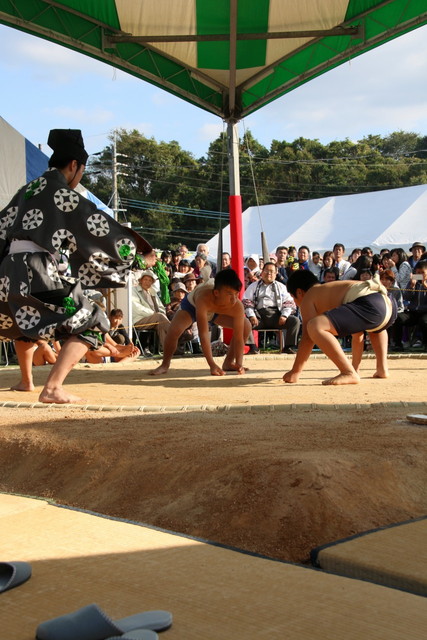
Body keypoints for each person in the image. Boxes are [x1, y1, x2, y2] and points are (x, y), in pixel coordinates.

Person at [0, 128, 154, 403]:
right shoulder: (62, 193)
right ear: (74, 165)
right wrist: (135, 252)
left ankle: (26, 381)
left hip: (9, 271)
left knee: (26, 319)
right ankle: (52, 388)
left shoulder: (27, 190)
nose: (80, 176)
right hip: (37, 270)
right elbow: (96, 225)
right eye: (81, 170)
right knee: (94, 320)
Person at [283, 269, 397, 386]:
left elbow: (308, 337)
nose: (295, 302)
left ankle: (347, 372)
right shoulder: (331, 291)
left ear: (299, 292)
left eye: (293, 297)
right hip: (388, 305)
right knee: (376, 328)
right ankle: (382, 369)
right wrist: (355, 368)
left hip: (370, 304)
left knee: (314, 326)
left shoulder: (309, 296)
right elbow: (357, 334)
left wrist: (295, 371)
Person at [149, 269, 251, 376]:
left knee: (246, 325)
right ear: (216, 293)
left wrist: (239, 364)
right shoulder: (203, 297)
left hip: (216, 312)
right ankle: (165, 365)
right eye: (229, 294)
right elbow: (203, 334)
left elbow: (239, 337)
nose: (234, 299)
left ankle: (229, 362)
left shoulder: (237, 306)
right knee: (174, 331)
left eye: (236, 294)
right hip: (192, 306)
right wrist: (212, 364)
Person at [243, 262, 300, 354]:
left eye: (271, 271)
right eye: (266, 271)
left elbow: (289, 302)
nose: (269, 273)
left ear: (276, 273)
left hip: (277, 317)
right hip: (259, 317)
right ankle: (253, 347)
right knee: (244, 322)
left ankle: (288, 347)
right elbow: (247, 301)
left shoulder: (281, 287)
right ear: (262, 272)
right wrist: (251, 315)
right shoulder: (253, 286)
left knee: (295, 321)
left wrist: (284, 315)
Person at [391, 260, 427, 351]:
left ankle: (425, 344)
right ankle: (397, 344)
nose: (420, 275)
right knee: (398, 318)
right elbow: (406, 297)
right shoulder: (412, 282)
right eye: (418, 273)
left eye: (422, 272)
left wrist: (425, 287)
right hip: (413, 312)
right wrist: (411, 286)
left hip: (425, 312)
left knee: (425, 321)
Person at [132, 270, 170, 349]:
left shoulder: (153, 292)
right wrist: (154, 314)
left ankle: (169, 349)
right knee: (159, 317)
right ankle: (176, 333)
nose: (147, 282)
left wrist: (161, 314)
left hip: (155, 319)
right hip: (139, 319)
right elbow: (137, 308)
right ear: (141, 280)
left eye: (150, 280)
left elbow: (161, 307)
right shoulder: (134, 290)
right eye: (145, 279)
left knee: (161, 325)